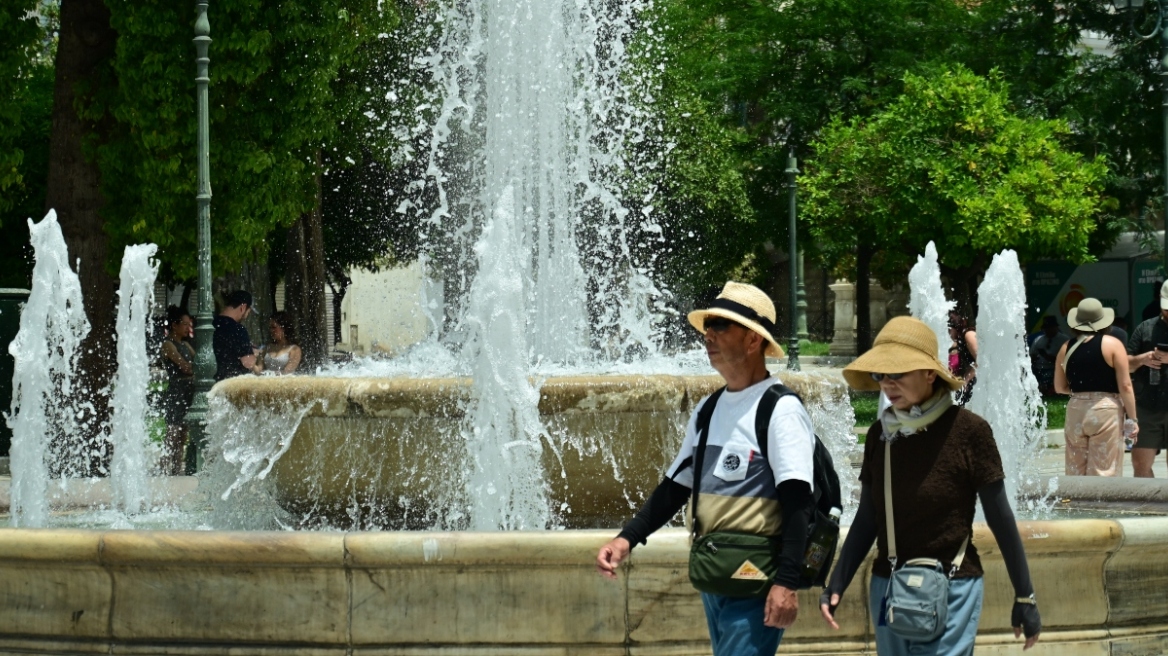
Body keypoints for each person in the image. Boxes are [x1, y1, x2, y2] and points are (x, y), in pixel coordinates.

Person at [595, 281, 816, 656]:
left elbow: (799, 503)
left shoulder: (780, 410)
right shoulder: (709, 409)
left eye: (721, 325)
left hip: (756, 578)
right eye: (707, 325)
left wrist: (787, 583)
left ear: (752, 341)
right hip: (714, 575)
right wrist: (626, 538)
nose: (708, 334)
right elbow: (676, 487)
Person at [820, 316, 1041, 654]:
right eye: (881, 375)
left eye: (898, 373)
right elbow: (868, 516)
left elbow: (1001, 518)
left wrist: (1025, 594)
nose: (887, 384)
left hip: (953, 585)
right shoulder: (881, 434)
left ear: (929, 373)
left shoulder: (969, 431)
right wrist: (837, 581)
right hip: (889, 585)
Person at [1054, 299, 1137, 476]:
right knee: (1104, 471)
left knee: (1075, 470)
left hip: (1075, 409)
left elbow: (1059, 387)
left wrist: (1083, 393)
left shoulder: (1065, 347)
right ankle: (1100, 505)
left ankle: (1076, 502)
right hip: (1105, 410)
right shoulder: (1113, 344)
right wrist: (1133, 419)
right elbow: (1125, 385)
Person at [1127, 281, 1168, 477]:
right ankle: (1148, 507)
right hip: (1148, 405)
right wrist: (1142, 359)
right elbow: (1125, 363)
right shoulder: (1145, 328)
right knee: (1140, 464)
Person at [158, 306, 196, 475]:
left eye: (190, 324)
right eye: (185, 324)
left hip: (188, 391)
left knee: (182, 435)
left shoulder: (186, 345)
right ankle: (165, 468)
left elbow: (197, 365)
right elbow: (185, 366)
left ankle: (176, 469)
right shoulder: (168, 345)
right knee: (172, 432)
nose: (188, 328)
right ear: (174, 325)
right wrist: (195, 369)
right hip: (177, 390)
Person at [213, 289, 258, 381]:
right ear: (243, 308)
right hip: (231, 384)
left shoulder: (210, 324)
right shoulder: (238, 330)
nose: (246, 317)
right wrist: (255, 354)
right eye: (248, 312)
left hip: (212, 380)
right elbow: (248, 363)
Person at [1030, 316, 1068, 396]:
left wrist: (1047, 356)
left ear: (1056, 327)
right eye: (1046, 328)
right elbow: (1031, 355)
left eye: (1050, 328)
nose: (1048, 330)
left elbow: (1065, 361)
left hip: (1053, 369)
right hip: (1037, 368)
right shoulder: (1038, 340)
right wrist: (1033, 358)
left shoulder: (1064, 340)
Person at [948, 311, 978, 405]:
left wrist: (967, 378)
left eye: (949, 330)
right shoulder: (961, 341)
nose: (948, 334)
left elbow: (982, 360)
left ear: (955, 326)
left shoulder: (968, 335)